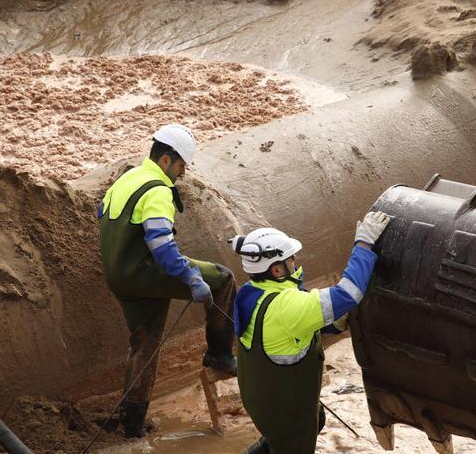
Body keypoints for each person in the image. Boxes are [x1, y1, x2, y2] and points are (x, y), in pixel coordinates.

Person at [98, 123, 237, 438]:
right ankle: (220, 354)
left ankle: (131, 426)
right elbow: (162, 246)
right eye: (181, 165)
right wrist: (191, 279)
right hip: (144, 271)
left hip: (118, 276)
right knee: (223, 279)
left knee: (144, 344)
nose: (183, 173)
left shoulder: (128, 179)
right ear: (166, 160)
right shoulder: (157, 189)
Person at [232, 211, 391, 454]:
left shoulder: (252, 291)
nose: (295, 261)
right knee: (292, 444)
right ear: (276, 270)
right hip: (285, 415)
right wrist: (364, 243)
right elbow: (348, 294)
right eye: (291, 258)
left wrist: (333, 325)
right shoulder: (287, 305)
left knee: (315, 418)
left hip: (264, 402)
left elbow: (288, 330)